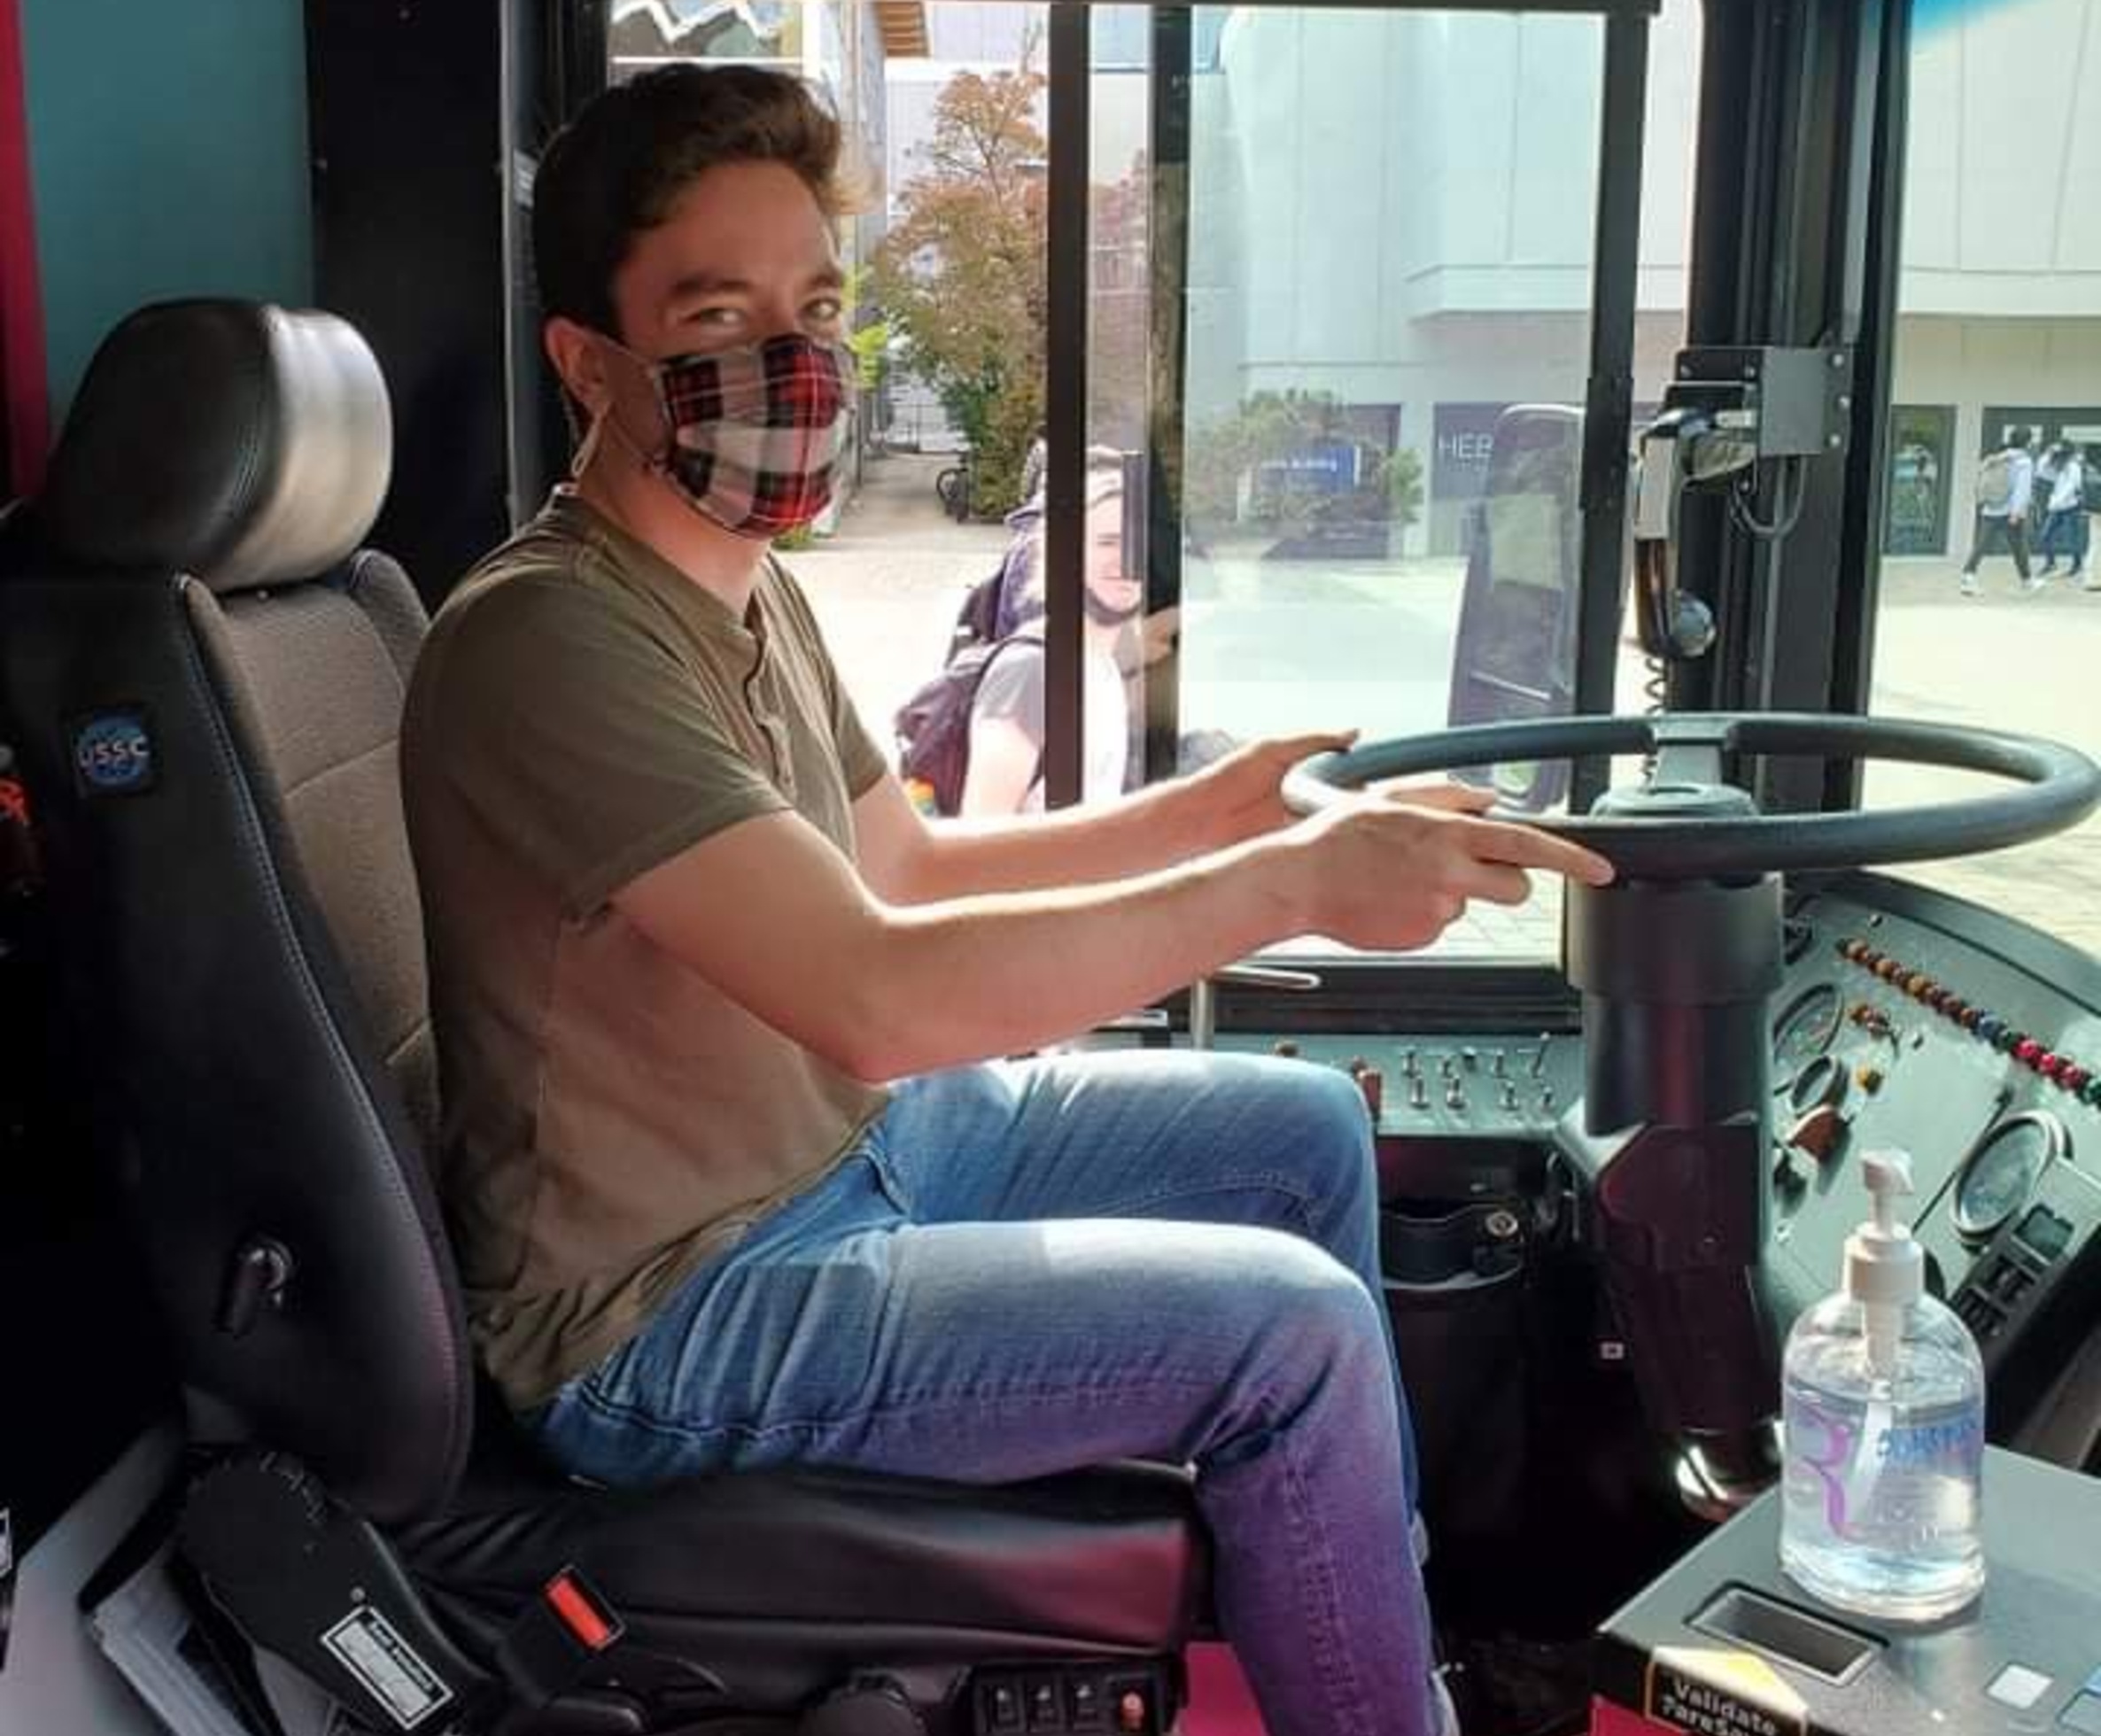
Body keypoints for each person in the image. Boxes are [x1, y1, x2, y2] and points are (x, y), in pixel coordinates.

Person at [399, 65, 1612, 1736]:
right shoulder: (549, 640)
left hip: (843, 1156)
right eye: (718, 314)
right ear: (586, 360)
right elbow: (877, 994)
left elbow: (902, 869)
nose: (795, 358)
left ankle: (1356, 1628)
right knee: (1295, 1335)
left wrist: (1212, 813)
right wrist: (1285, 884)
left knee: (1303, 1131)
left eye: (818, 306)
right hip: (669, 1314)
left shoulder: (741, 594)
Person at [960, 452, 1137, 814]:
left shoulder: (1102, 664)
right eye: (1107, 542)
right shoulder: (1031, 671)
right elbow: (982, 828)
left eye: (1136, 545)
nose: (1125, 560)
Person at [1959, 428, 2035, 596]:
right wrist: (2016, 512)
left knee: (1981, 546)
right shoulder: (2024, 462)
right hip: (2010, 511)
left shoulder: (1998, 457)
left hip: (1990, 508)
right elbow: (2022, 490)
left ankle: (1968, 578)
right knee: (2019, 548)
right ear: (2028, 442)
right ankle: (2027, 582)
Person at [2034, 440, 2092, 589]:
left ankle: (2077, 564)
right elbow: (2041, 471)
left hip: (2070, 508)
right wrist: (2047, 454)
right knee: (2045, 535)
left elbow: (2071, 487)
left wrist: (2055, 502)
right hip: (2057, 508)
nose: (2057, 458)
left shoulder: (2074, 468)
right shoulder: (2058, 466)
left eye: (2060, 455)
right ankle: (2051, 563)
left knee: (2071, 538)